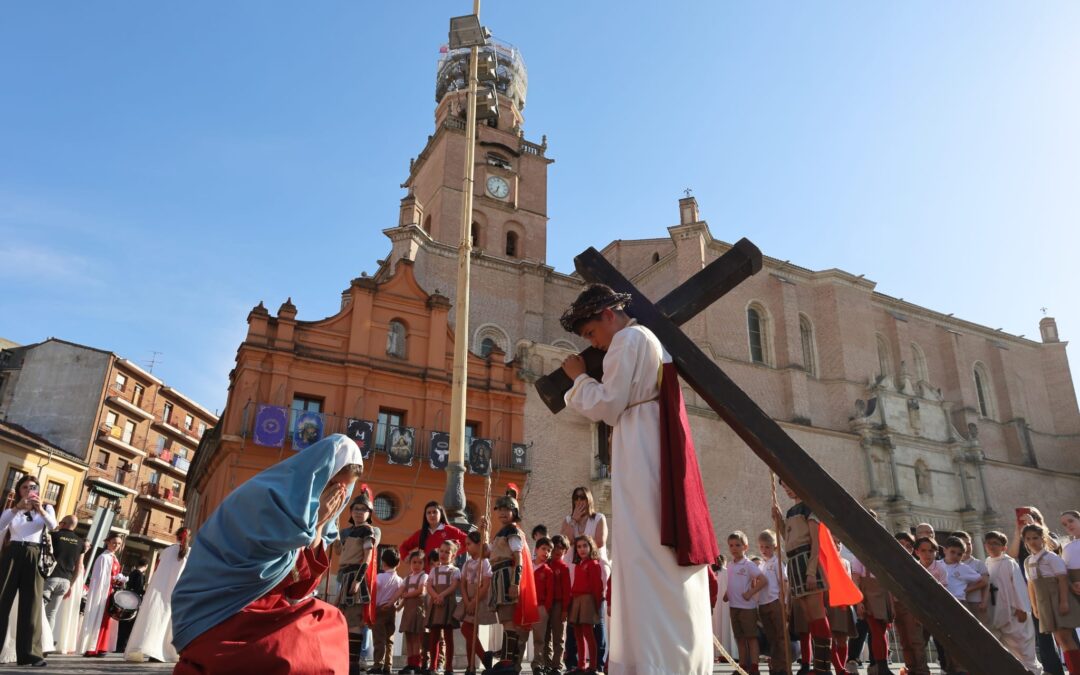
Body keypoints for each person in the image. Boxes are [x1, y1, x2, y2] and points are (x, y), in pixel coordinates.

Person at [560, 284, 718, 675]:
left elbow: (609, 404)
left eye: (592, 334)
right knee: (648, 553)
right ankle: (665, 658)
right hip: (646, 444)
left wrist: (578, 379)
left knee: (646, 552)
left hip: (641, 449)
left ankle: (653, 662)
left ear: (608, 315)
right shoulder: (645, 339)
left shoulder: (628, 339)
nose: (593, 345)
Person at [171, 434, 363, 675]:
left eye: (343, 492)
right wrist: (314, 525)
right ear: (316, 476)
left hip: (265, 608)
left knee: (329, 620)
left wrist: (320, 526)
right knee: (297, 646)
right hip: (221, 611)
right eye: (331, 485)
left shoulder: (312, 515)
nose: (335, 497)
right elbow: (268, 573)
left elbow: (298, 589)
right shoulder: (266, 496)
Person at [777, 479, 861, 675]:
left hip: (807, 561)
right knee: (810, 619)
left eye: (789, 483)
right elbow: (790, 539)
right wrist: (780, 521)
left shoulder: (810, 508)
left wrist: (811, 571)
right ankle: (823, 666)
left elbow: (815, 542)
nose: (787, 487)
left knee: (817, 615)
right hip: (794, 561)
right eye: (784, 485)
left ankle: (824, 668)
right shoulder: (791, 512)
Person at [0, 474, 57, 667]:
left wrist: (39, 508)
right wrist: (17, 508)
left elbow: (53, 526)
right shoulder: (12, 510)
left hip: (34, 554)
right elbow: (0, 525)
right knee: (2, 600)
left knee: (31, 605)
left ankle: (31, 655)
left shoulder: (47, 508)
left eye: (33, 487)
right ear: (19, 490)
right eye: (25, 487)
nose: (29, 490)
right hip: (13, 552)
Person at [486, 486, 538, 674]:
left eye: (506, 509)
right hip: (498, 576)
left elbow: (519, 558)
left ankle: (508, 662)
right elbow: (488, 554)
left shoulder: (512, 532)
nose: (502, 512)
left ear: (514, 512)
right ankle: (506, 660)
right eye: (499, 509)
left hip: (507, 576)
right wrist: (483, 532)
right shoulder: (500, 532)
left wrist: (515, 583)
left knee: (508, 621)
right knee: (505, 620)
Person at [1012, 506, 1066, 675]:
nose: (1032, 541)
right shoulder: (1024, 541)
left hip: (1053, 589)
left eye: (1031, 517)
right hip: (1033, 589)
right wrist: (1018, 532)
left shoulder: (1046, 537)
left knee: (1065, 633)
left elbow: (1054, 545)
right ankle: (1052, 670)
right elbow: (1013, 553)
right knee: (1042, 634)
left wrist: (1035, 526)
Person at [124, 527, 190, 663]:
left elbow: (157, 571)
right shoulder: (190, 553)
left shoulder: (166, 552)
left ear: (176, 536)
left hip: (158, 591)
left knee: (153, 620)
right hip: (178, 592)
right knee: (169, 622)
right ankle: (163, 652)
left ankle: (145, 649)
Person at [1023, 523, 1080, 673]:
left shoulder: (1051, 557)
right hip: (1044, 603)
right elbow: (1031, 585)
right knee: (1060, 641)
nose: (1032, 541)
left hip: (1057, 599)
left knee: (1066, 638)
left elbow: (1062, 580)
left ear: (1042, 538)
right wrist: (1035, 606)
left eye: (1035, 538)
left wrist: (1064, 602)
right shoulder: (1028, 561)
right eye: (1028, 538)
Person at [335, 487, 380, 675]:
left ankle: (352, 665)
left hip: (355, 578)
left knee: (354, 622)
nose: (359, 512)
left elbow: (367, 557)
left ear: (369, 513)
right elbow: (339, 552)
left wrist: (358, 580)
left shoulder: (368, 531)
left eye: (363, 509)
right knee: (342, 620)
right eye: (356, 509)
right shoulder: (346, 532)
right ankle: (343, 662)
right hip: (343, 577)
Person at [983, 530, 1042, 674]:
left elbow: (1019, 586)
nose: (991, 546)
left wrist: (1022, 609)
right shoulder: (987, 562)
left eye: (995, 543)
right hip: (998, 613)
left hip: (1016, 614)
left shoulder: (1009, 563)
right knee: (1007, 653)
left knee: (1024, 651)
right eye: (989, 543)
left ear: (1003, 547)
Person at [939, 536, 984, 675]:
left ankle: (962, 668)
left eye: (959, 554)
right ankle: (949, 667)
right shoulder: (938, 565)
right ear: (945, 550)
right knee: (945, 637)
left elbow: (981, 580)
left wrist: (966, 590)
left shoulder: (963, 568)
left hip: (959, 602)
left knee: (959, 637)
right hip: (940, 602)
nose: (956, 556)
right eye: (953, 552)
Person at [79, 532, 128, 657]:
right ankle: (91, 647)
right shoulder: (104, 558)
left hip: (110, 592)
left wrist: (118, 581)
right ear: (107, 542)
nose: (116, 546)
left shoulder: (113, 558)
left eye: (118, 544)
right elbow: (99, 579)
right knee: (98, 618)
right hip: (102, 593)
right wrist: (113, 580)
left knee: (106, 620)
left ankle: (102, 646)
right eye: (114, 543)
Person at [724, 531, 766, 675]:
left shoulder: (748, 565)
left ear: (745, 547)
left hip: (747, 608)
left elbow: (763, 580)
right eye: (731, 545)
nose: (734, 548)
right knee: (740, 638)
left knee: (751, 638)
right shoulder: (729, 565)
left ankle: (754, 667)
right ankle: (742, 667)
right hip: (733, 607)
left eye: (737, 545)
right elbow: (733, 583)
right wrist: (726, 594)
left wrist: (750, 593)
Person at [849, 549, 893, 675]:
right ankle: (882, 666)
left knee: (882, 632)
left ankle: (879, 666)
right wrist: (858, 602)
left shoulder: (885, 557)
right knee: (877, 632)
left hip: (883, 595)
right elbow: (855, 579)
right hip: (868, 597)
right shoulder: (860, 557)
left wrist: (891, 605)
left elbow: (890, 581)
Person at [458, 531, 495, 675]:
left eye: (469, 544)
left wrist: (474, 601)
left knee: (467, 630)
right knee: (470, 634)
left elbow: (485, 585)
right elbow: (463, 583)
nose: (466, 547)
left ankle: (484, 657)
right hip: (469, 600)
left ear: (479, 545)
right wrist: (467, 601)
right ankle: (471, 665)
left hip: (479, 600)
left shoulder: (485, 562)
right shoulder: (467, 563)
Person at [891, 532, 928, 675]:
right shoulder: (890, 563)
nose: (905, 548)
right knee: (904, 641)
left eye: (908, 546)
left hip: (911, 606)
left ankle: (922, 670)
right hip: (896, 604)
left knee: (916, 640)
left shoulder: (916, 565)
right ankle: (911, 668)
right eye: (901, 544)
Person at [42, 515, 85, 633]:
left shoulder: (53, 536)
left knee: (39, 611)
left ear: (64, 523)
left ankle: (31, 643)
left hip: (50, 578)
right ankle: (46, 645)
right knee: (51, 614)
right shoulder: (81, 542)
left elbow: (44, 557)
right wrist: (70, 585)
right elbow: (79, 567)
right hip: (65, 581)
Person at [398, 501, 469, 572]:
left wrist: (453, 553)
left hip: (445, 574)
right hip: (425, 576)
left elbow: (469, 541)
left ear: (441, 514)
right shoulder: (420, 534)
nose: (432, 515)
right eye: (428, 513)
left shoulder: (450, 530)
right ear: (425, 516)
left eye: (435, 512)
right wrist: (407, 557)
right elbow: (403, 547)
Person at [569, 535, 604, 675]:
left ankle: (593, 667)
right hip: (577, 600)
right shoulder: (579, 565)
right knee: (577, 633)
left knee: (588, 634)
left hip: (588, 600)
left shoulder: (593, 564)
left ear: (591, 547)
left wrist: (597, 605)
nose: (582, 549)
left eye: (585, 546)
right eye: (579, 547)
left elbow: (597, 586)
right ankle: (581, 665)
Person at [757, 530, 790, 675]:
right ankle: (775, 666)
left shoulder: (777, 562)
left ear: (774, 547)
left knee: (781, 636)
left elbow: (784, 582)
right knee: (771, 637)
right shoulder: (761, 565)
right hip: (763, 604)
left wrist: (785, 602)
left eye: (767, 547)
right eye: (762, 547)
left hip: (775, 602)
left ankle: (784, 667)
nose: (764, 550)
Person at [426, 540, 461, 674]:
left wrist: (442, 595)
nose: (443, 554)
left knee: (448, 637)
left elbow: (453, 586)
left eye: (447, 552)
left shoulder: (455, 570)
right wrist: (435, 596)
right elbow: (429, 585)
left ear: (453, 555)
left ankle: (448, 667)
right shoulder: (434, 570)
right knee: (434, 636)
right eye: (441, 551)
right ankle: (432, 667)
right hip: (436, 604)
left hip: (448, 605)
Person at [370, 548, 403, 675]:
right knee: (389, 638)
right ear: (398, 564)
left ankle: (378, 664)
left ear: (382, 562)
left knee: (379, 639)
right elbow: (400, 594)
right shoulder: (399, 580)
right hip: (392, 610)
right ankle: (388, 665)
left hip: (379, 610)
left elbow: (373, 590)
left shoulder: (379, 577)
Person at [826, 539, 856, 675]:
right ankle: (839, 668)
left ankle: (841, 668)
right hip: (829, 601)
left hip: (843, 602)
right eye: (833, 542)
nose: (837, 545)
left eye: (838, 542)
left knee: (843, 638)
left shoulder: (846, 563)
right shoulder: (824, 561)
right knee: (830, 637)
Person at [545, 535, 572, 675]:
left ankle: (557, 666)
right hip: (545, 603)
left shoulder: (564, 568)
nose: (558, 550)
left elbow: (567, 591)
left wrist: (565, 610)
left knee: (558, 636)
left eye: (561, 548)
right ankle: (546, 664)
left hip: (558, 604)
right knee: (545, 636)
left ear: (565, 551)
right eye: (555, 547)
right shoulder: (546, 564)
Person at [399, 550, 429, 674]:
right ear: (410, 563)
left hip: (417, 611)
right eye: (414, 562)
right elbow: (401, 593)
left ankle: (417, 664)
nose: (416, 565)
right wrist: (397, 605)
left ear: (423, 564)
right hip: (407, 611)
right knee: (409, 637)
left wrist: (406, 595)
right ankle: (410, 663)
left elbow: (421, 591)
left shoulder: (424, 576)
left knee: (416, 638)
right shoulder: (407, 578)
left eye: (420, 563)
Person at [954, 530, 991, 627]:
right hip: (959, 602)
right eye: (963, 544)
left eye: (968, 543)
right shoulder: (951, 564)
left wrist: (984, 601)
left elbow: (985, 583)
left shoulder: (978, 563)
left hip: (975, 602)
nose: (967, 547)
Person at [531, 537, 556, 675]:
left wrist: (546, 609)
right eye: (543, 549)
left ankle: (537, 665)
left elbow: (550, 593)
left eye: (549, 550)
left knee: (539, 639)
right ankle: (516, 665)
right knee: (521, 637)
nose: (546, 552)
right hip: (527, 606)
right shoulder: (527, 566)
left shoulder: (548, 571)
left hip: (541, 608)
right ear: (536, 549)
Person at [115, 556, 148, 653]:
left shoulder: (132, 572)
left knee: (123, 623)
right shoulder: (140, 575)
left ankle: (118, 645)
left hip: (127, 600)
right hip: (134, 601)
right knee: (129, 624)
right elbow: (138, 589)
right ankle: (122, 646)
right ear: (146, 565)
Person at [1060, 510, 1080, 598]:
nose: (1068, 525)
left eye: (1071, 521)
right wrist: (1071, 585)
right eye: (1064, 524)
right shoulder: (1067, 548)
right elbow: (1064, 572)